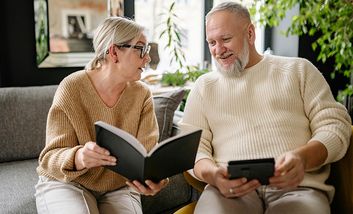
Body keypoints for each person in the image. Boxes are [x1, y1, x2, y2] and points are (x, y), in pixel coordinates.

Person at [179, 2, 352, 214]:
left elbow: (335, 126)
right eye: (211, 42)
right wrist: (213, 174)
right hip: (228, 191)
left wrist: (302, 158)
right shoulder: (204, 87)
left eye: (225, 39)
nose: (218, 50)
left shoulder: (299, 70)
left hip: (298, 188)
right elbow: (191, 149)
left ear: (250, 33)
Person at [35, 16, 169, 214]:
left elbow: (147, 157)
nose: (148, 58)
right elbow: (49, 158)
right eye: (141, 49)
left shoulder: (142, 94)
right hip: (67, 182)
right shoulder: (72, 88)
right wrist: (79, 157)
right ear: (114, 52)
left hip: (118, 187)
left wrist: (157, 179)